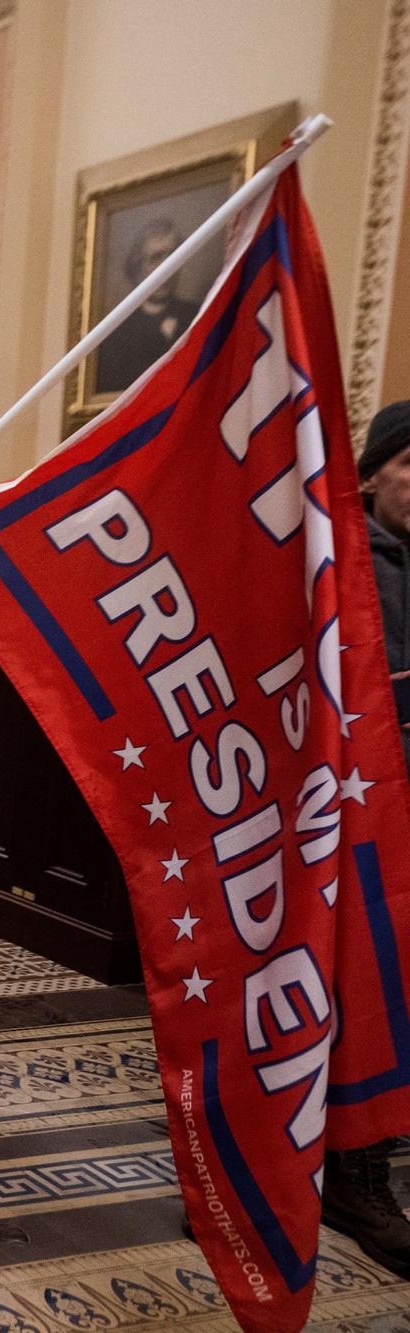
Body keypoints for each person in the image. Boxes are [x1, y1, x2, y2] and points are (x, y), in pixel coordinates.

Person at [334, 399, 410, 1277]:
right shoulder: (343, 559)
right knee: (356, 988)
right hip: (347, 817)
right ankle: (348, 1169)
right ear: (372, 472)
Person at [95, 219, 200, 393]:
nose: (167, 267)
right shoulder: (116, 334)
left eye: (174, 256)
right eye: (155, 258)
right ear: (138, 267)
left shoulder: (198, 315)